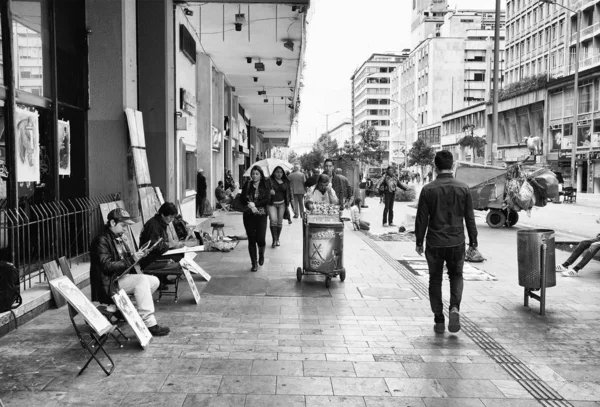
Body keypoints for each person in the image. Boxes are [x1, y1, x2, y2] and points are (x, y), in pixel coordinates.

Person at [415, 150, 478, 334]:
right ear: (452, 166)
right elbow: (470, 218)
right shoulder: (463, 188)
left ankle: (439, 320)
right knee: (456, 276)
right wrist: (473, 240)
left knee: (435, 280)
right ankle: (454, 308)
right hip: (457, 242)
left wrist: (419, 241)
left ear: (435, 167)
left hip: (434, 242)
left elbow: (422, 219)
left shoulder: (428, 189)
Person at [90, 208, 170, 336]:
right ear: (112, 223)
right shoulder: (101, 240)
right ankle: (149, 323)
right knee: (141, 281)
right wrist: (131, 259)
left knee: (154, 281)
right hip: (108, 284)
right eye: (123, 225)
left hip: (118, 278)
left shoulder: (117, 237)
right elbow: (106, 266)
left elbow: (124, 258)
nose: (125, 229)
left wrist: (137, 255)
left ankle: (127, 310)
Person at [138, 202, 185, 290]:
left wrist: (173, 245)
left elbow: (163, 241)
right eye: (170, 217)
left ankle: (163, 278)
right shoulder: (153, 225)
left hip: (157, 253)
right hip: (149, 258)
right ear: (163, 214)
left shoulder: (161, 223)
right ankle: (159, 280)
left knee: (180, 253)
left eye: (173, 217)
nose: (172, 219)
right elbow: (154, 246)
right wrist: (170, 245)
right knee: (177, 255)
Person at [241, 165, 271, 272]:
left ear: (261, 175)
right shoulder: (247, 184)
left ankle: (261, 253)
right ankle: (254, 263)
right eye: (253, 174)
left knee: (261, 239)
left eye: (257, 174)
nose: (254, 176)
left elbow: (267, 199)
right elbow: (243, 198)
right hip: (248, 215)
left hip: (261, 215)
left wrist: (255, 204)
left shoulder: (266, 184)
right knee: (251, 239)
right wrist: (250, 205)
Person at [268, 166, 292, 248]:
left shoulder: (286, 181)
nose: (279, 174)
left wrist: (292, 203)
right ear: (274, 172)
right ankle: (274, 240)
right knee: (273, 220)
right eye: (277, 172)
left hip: (282, 204)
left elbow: (289, 192)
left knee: (279, 222)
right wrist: (269, 192)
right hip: (272, 204)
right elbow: (263, 191)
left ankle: (277, 238)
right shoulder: (269, 181)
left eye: (281, 172)